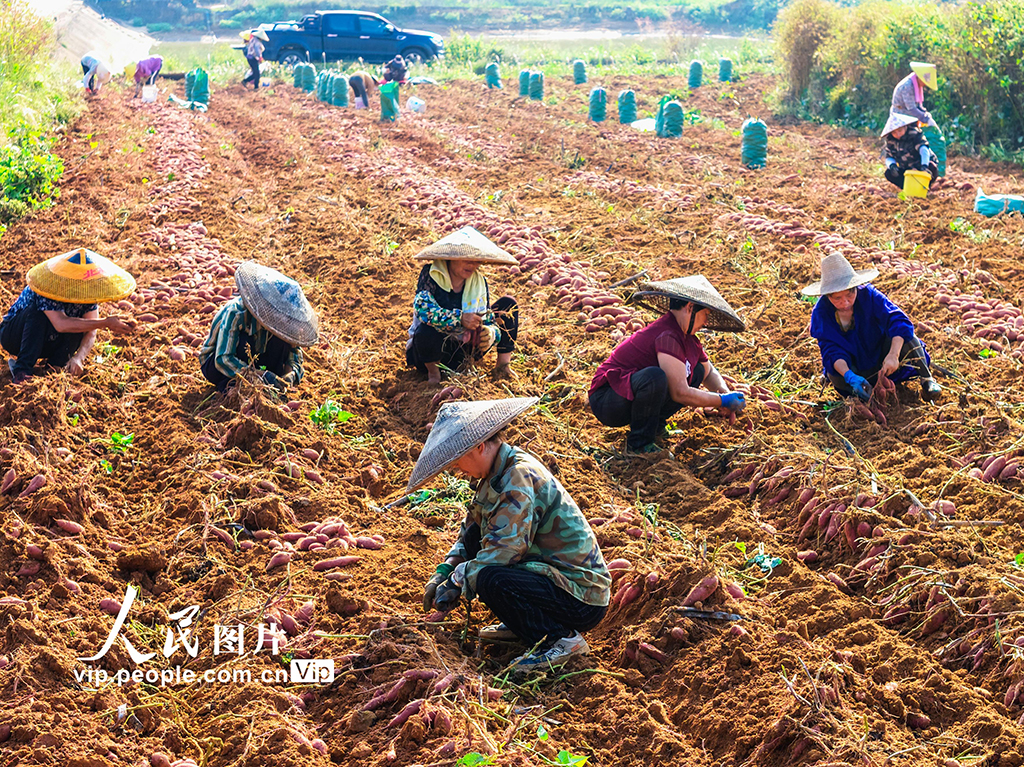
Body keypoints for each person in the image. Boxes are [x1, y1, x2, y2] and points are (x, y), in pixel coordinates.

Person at [415, 397, 611, 668]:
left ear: (479, 447)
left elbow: (504, 552)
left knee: (490, 579)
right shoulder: (495, 472)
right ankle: (526, 623)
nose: (457, 469)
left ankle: (561, 640)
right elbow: (471, 531)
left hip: (581, 596)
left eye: (458, 461)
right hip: (552, 579)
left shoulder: (517, 476)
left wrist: (457, 581)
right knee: (475, 542)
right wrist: (445, 570)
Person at [589, 276, 747, 454]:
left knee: (696, 371)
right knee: (654, 378)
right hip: (608, 400)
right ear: (690, 308)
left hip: (629, 394)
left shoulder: (688, 339)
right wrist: (722, 401)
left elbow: (708, 372)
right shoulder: (667, 335)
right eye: (706, 315)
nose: (706, 323)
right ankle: (640, 443)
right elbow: (680, 392)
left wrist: (725, 393)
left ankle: (655, 426)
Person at [803, 252, 941, 404]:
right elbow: (831, 351)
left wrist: (893, 355)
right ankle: (860, 392)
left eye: (849, 295)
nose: (846, 302)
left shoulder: (868, 294)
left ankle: (927, 379)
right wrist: (849, 376)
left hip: (881, 357)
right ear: (827, 296)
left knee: (907, 337)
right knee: (835, 375)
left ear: (855, 288)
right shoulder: (821, 313)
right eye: (838, 298)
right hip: (854, 368)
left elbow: (898, 321)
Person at [1, 248, 135, 383]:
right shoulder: (48, 287)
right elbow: (61, 324)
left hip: (46, 340)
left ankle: (54, 368)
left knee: (80, 324)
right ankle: (22, 370)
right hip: (14, 336)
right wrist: (105, 323)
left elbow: (91, 331)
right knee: (38, 314)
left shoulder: (87, 295)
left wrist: (79, 357)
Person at [406, 226, 519, 384]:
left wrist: (491, 333)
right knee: (427, 330)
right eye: (466, 259)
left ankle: (503, 365)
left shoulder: (478, 282)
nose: (472, 265)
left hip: (465, 351)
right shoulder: (431, 274)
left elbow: (488, 320)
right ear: (452, 258)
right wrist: (459, 319)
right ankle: (434, 374)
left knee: (508, 305)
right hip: (429, 353)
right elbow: (422, 308)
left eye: (476, 260)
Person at [200, 261, 318, 393]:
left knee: (283, 342)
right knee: (244, 343)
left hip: (256, 363)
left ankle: (268, 387)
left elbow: (295, 357)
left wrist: (290, 375)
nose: (282, 319)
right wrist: (260, 376)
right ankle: (231, 389)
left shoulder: (285, 324)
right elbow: (223, 359)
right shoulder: (237, 313)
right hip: (217, 365)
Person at [881, 110, 938, 190]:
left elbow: (923, 150)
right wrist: (892, 165)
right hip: (906, 167)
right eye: (894, 132)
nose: (897, 134)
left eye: (900, 130)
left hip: (921, 164)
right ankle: (907, 188)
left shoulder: (915, 135)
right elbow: (889, 156)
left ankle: (925, 187)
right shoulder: (891, 141)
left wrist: (924, 165)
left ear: (905, 127)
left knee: (932, 166)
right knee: (889, 173)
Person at [891, 62, 938, 127]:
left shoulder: (917, 85)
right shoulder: (908, 86)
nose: (925, 84)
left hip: (909, 117)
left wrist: (926, 114)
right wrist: (926, 119)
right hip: (899, 117)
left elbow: (918, 106)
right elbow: (911, 109)